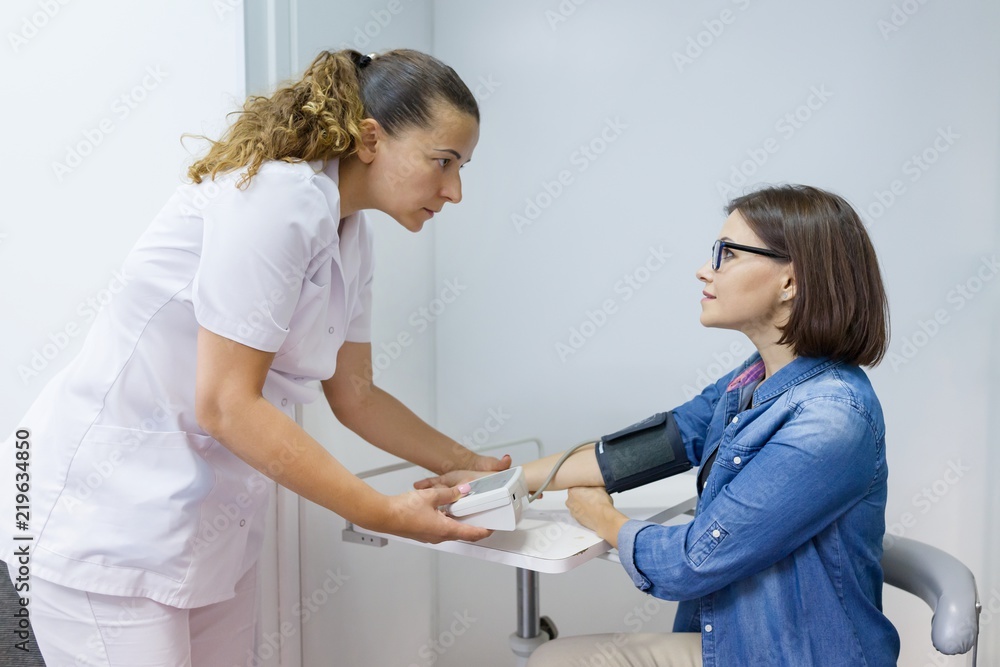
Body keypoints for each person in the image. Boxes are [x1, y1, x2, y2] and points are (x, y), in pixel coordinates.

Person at [0, 48, 509, 666]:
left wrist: (470, 463)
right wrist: (382, 512)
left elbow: (356, 395)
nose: (454, 191)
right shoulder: (278, 198)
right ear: (371, 138)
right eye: (443, 162)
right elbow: (224, 404)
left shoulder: (351, 233)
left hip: (204, 524)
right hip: (105, 518)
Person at [419, 185, 900, 666]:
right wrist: (508, 482)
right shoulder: (753, 379)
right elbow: (660, 443)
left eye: (727, 254)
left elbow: (693, 562)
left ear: (790, 282)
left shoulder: (830, 419)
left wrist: (603, 518)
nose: (705, 269)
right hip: (740, 647)